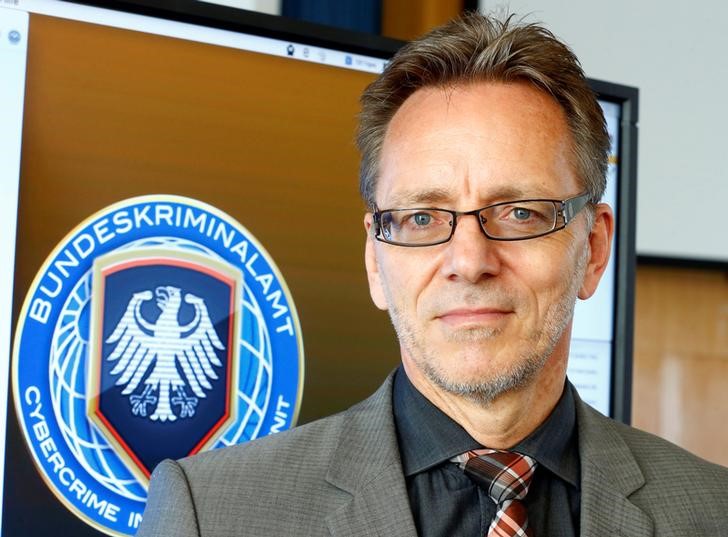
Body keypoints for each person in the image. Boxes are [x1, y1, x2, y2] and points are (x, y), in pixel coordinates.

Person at [136, 12, 728, 537]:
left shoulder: (713, 511)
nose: (469, 262)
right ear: (375, 259)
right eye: (421, 217)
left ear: (593, 248)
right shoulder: (213, 515)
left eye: (519, 212)